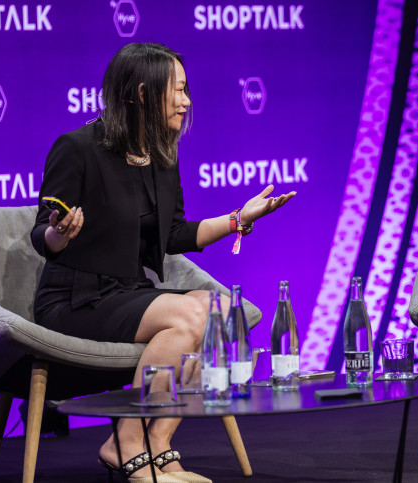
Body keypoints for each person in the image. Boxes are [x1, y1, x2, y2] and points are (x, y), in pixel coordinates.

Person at [30, 42, 295, 483]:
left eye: (187, 90)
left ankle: (160, 441)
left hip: (129, 291)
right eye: (178, 90)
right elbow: (43, 233)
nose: (187, 101)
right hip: (76, 296)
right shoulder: (77, 147)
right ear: (141, 92)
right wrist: (59, 234)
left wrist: (237, 220)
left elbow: (173, 235)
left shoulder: (162, 154)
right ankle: (126, 441)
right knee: (193, 316)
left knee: (223, 310)